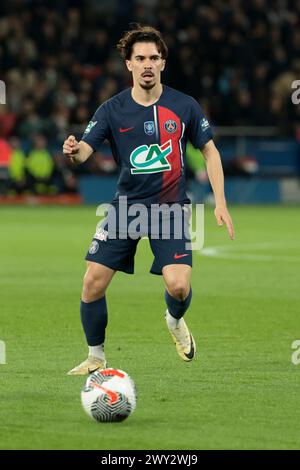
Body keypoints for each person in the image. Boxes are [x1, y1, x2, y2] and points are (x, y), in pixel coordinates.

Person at [63, 25, 235, 375]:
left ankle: (174, 320)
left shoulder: (184, 105)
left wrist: (220, 201)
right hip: (126, 207)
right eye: (139, 58)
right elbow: (84, 153)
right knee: (92, 281)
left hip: (169, 210)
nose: (147, 64)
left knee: (178, 284)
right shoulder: (112, 109)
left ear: (163, 63)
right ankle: (96, 356)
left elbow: (210, 151)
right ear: (128, 64)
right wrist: (73, 150)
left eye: (153, 58)